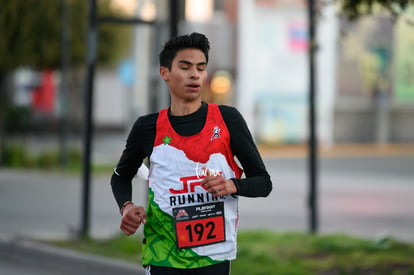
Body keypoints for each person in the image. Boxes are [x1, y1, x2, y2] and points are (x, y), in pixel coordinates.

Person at [111, 32, 272, 275]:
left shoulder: (228, 120)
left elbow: (263, 183)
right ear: (164, 73)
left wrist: (232, 185)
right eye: (185, 67)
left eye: (201, 67)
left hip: (214, 256)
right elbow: (120, 176)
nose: (194, 74)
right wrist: (127, 207)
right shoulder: (147, 127)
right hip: (162, 252)